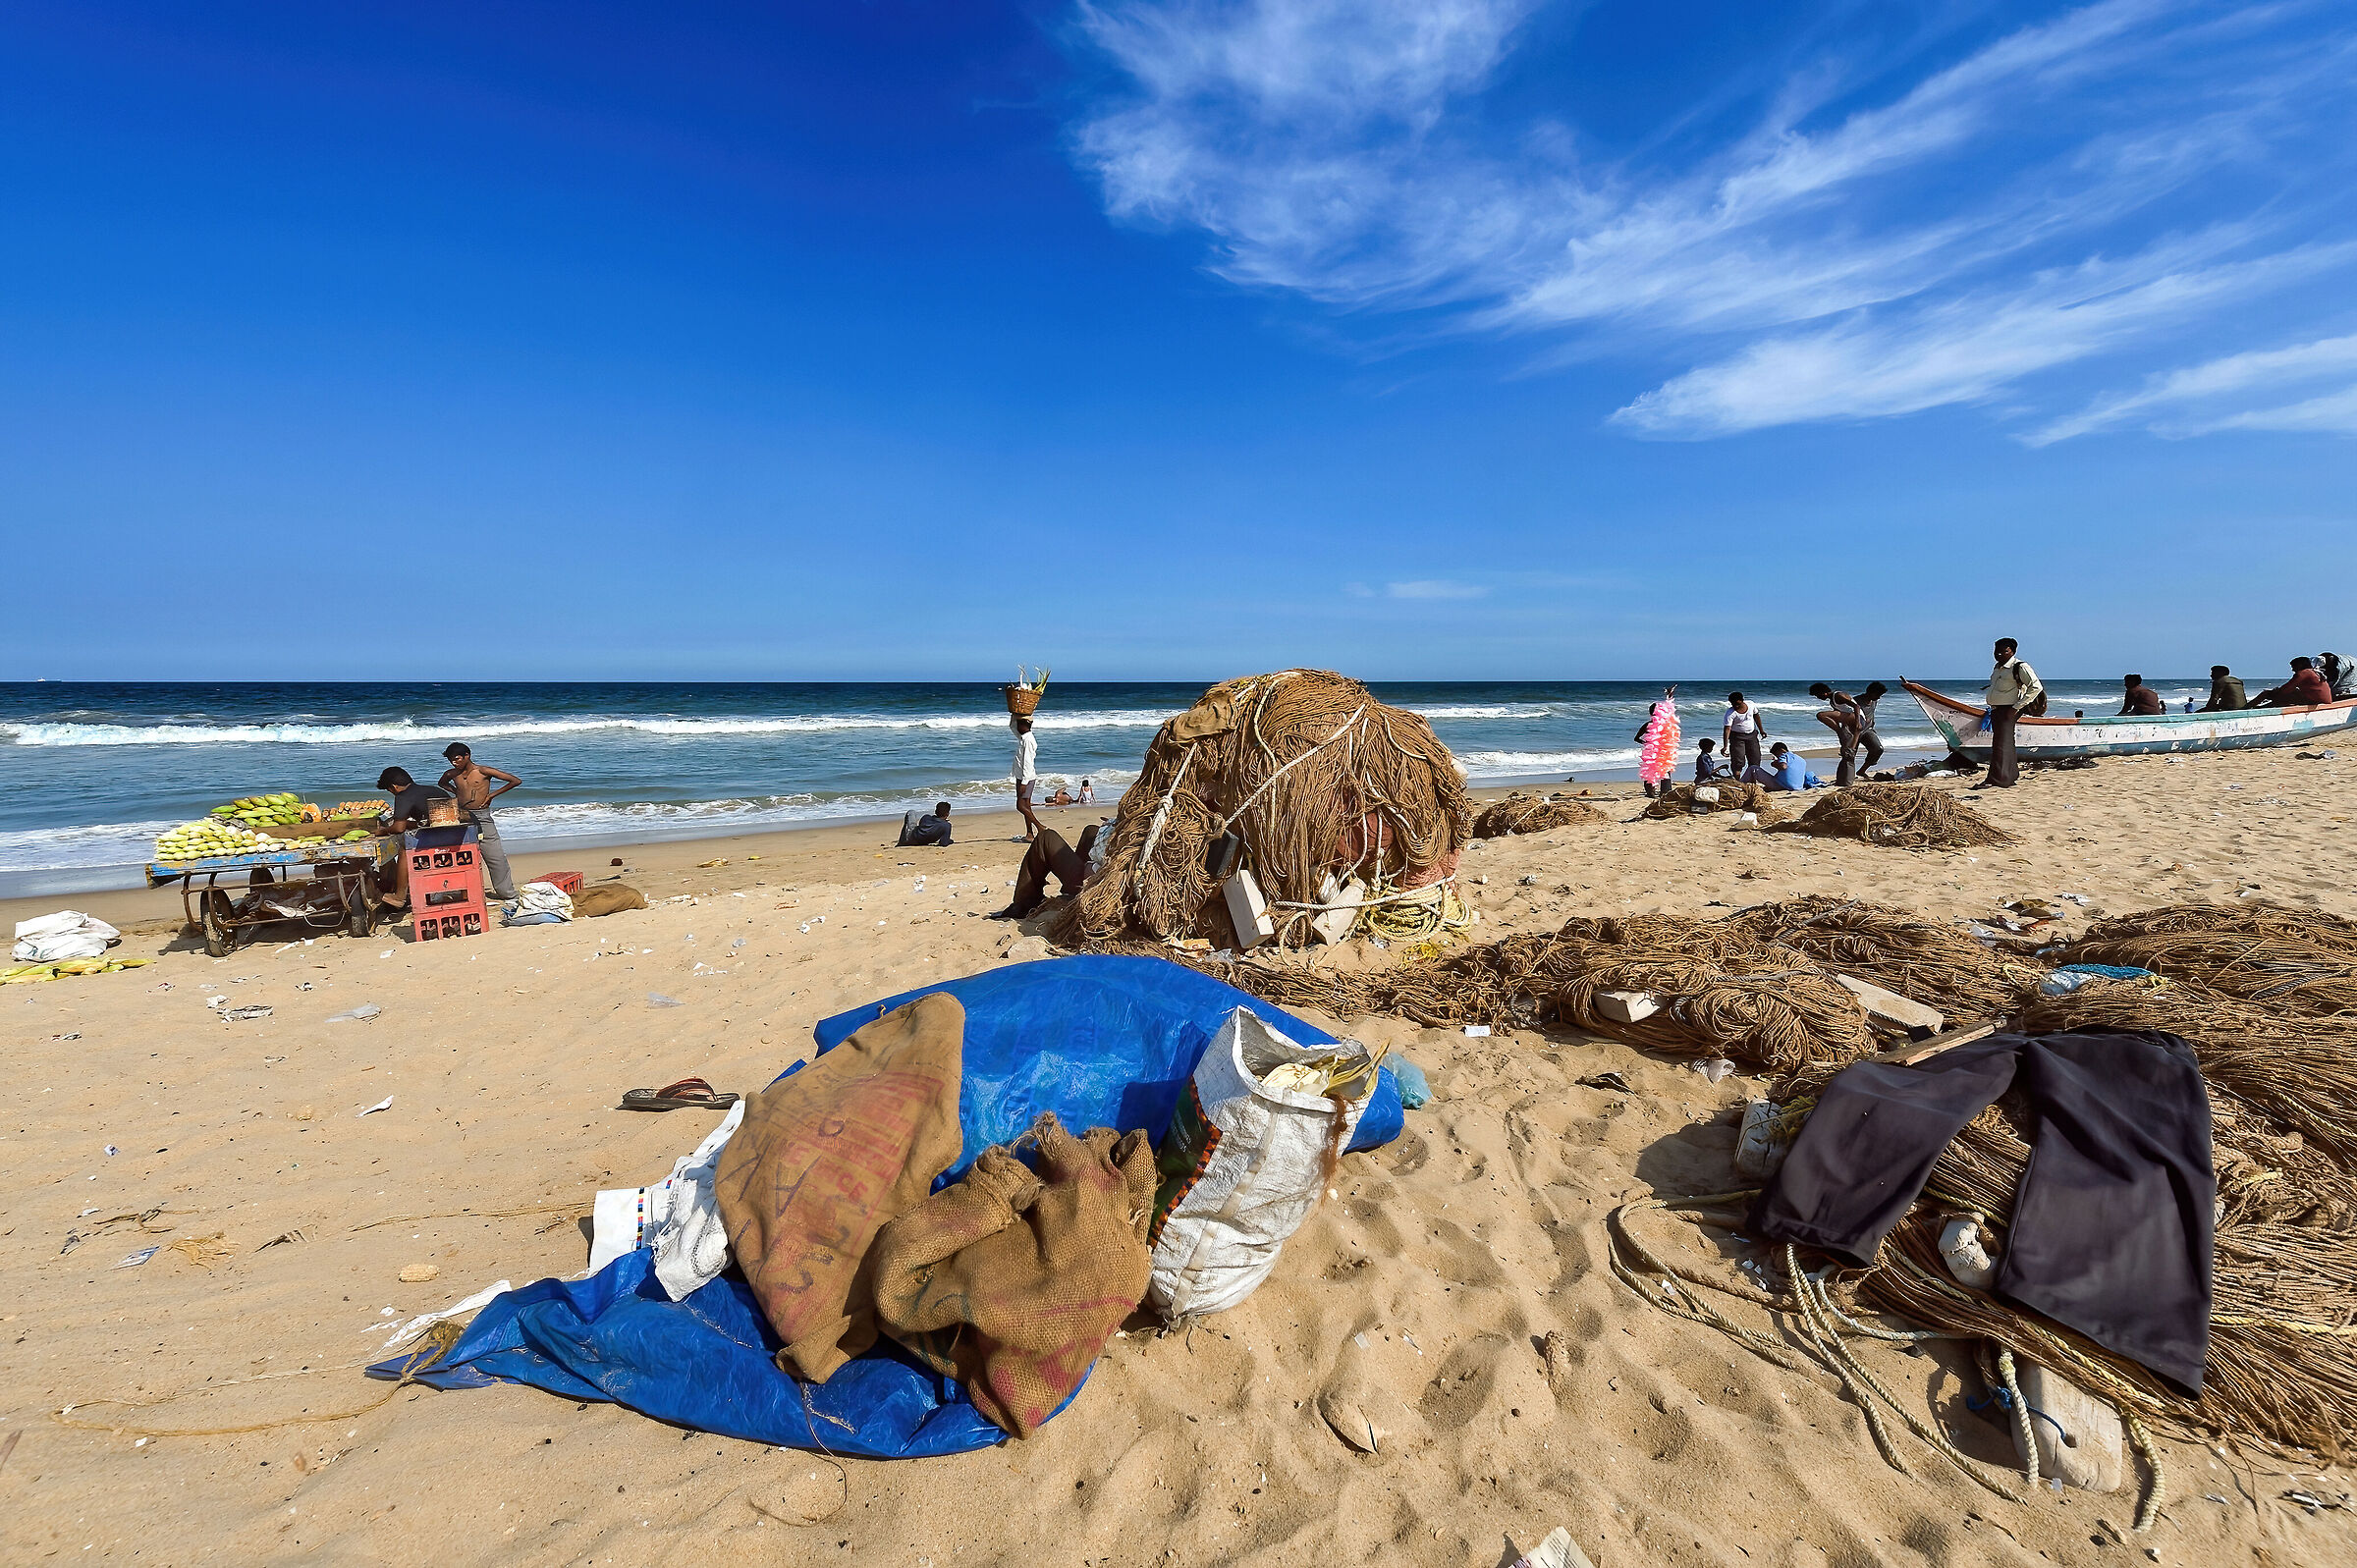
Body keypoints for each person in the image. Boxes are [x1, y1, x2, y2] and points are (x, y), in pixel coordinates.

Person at [438, 742, 521, 901]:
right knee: (460, 854)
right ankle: (462, 891)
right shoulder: (451, 774)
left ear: (467, 755)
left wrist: (491, 796)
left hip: (482, 816)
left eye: (457, 759)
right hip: (461, 816)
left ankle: (506, 893)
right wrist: (455, 792)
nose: (454, 763)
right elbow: (441, 783)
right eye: (451, 761)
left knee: (494, 855)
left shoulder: (483, 771)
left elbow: (515, 781)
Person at [374, 766, 454, 910]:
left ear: (394, 787)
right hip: (456, 835)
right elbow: (434, 819)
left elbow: (398, 828)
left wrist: (384, 831)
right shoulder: (433, 790)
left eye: (390, 790)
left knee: (403, 845)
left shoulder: (403, 796)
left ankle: (399, 896)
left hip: (438, 839)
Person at [989, 823, 1102, 921]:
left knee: (1046, 837)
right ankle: (1070, 893)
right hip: (1103, 878)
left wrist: (1090, 866)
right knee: (1091, 831)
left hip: (1097, 885)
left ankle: (1024, 904)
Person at [1975, 637, 2042, 789]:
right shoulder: (1997, 667)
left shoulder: (2019, 666)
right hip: (1997, 710)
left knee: (2001, 745)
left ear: (2012, 652)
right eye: (1997, 650)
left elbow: (2036, 687)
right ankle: (2008, 776)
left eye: (2004, 650)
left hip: (2009, 710)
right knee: (2002, 744)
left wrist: (2016, 707)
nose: (1999, 654)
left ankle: (2000, 780)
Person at [2249, 657, 2333, 709]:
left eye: (2294, 667)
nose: (2293, 670)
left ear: (2300, 666)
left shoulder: (2303, 673)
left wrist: (2274, 692)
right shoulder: (2315, 672)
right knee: (2282, 698)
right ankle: (2261, 708)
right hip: (2323, 700)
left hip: (2315, 701)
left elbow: (2285, 690)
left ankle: (2245, 709)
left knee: (2266, 694)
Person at [1010, 716, 1042, 842]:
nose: (1017, 727)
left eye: (1019, 724)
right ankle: (1029, 834)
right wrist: (1014, 715)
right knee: (1026, 806)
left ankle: (1040, 827)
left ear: (1024, 726)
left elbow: (1028, 763)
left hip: (1026, 778)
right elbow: (1012, 727)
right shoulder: (1023, 738)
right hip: (1021, 777)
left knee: (1020, 806)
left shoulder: (1028, 741)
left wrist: (1024, 782)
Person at [1722, 692, 1768, 776]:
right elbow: (1727, 729)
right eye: (1733, 704)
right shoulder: (1730, 713)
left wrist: (1761, 730)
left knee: (1755, 758)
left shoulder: (1751, 705)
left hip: (1752, 735)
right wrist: (1725, 746)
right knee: (1738, 760)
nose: (1736, 706)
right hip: (1737, 737)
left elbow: (1756, 716)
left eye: (1738, 704)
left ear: (1742, 700)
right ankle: (1738, 780)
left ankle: (1752, 779)